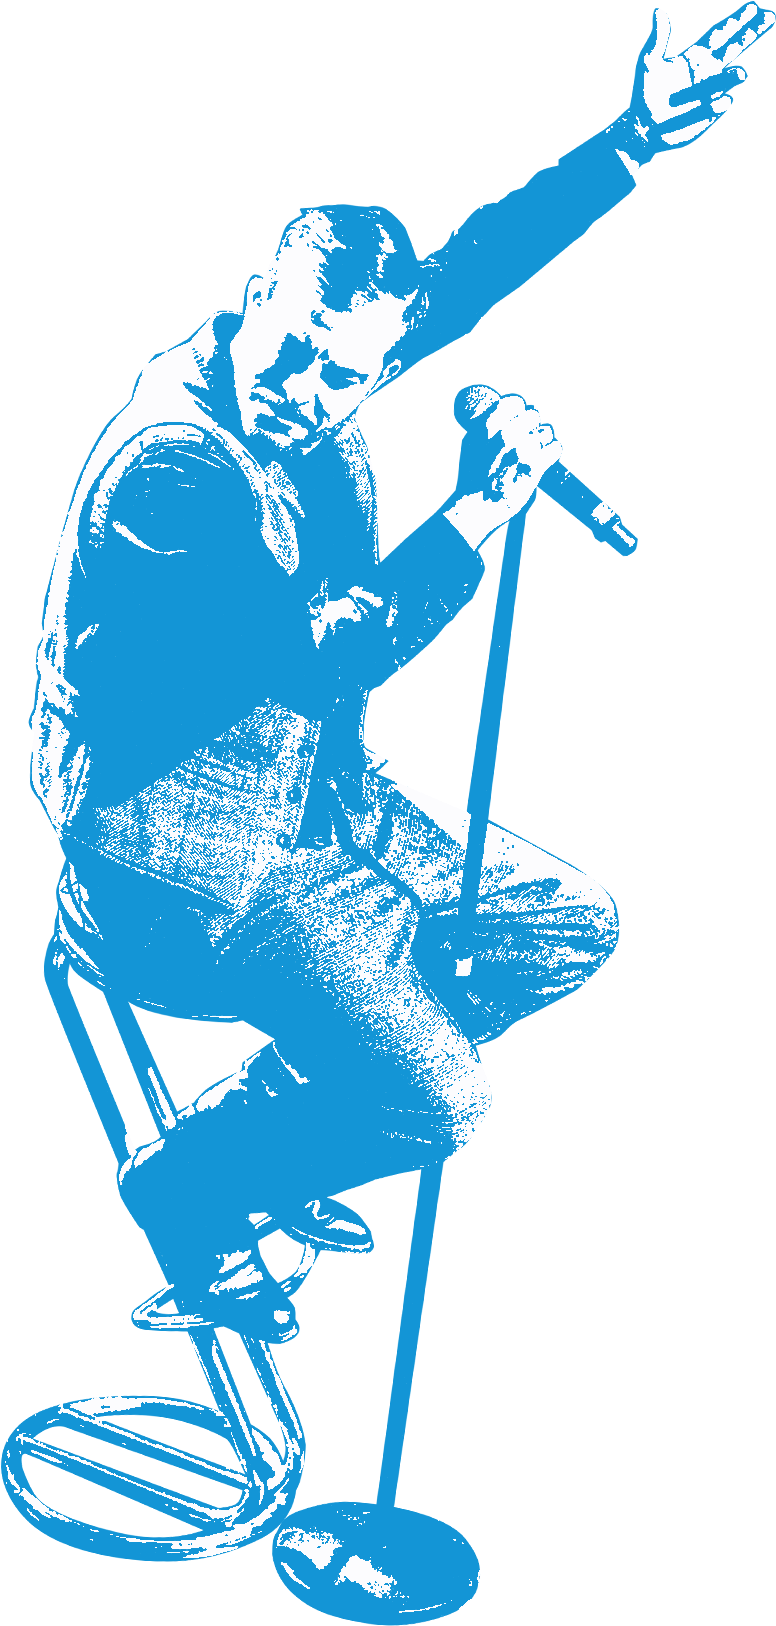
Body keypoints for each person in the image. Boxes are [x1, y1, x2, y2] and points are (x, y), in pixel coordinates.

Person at [29, 9, 773, 1339]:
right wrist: (472, 514)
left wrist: (632, 140)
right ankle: (192, 1190)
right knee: (444, 1103)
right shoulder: (176, 466)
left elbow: (470, 269)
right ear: (258, 296)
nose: (316, 391)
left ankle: (289, 1115)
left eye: (353, 372)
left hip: (306, 800)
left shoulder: (329, 366)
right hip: (167, 855)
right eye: (300, 351)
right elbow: (331, 648)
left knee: (566, 927)